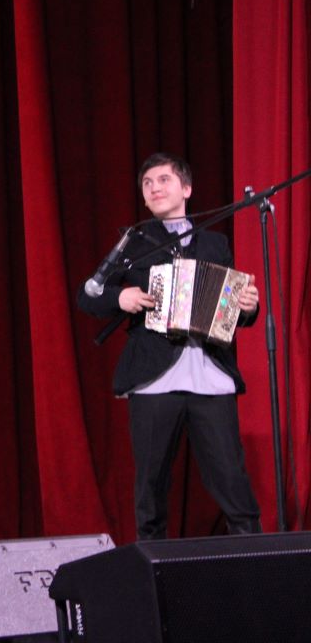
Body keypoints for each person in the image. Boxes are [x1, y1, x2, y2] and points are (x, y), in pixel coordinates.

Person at [77, 153, 261, 540]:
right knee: (151, 485)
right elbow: (88, 295)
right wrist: (121, 297)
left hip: (210, 376)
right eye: (147, 184)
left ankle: (252, 560)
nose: (154, 188)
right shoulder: (135, 241)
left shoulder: (214, 242)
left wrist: (248, 307)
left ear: (186, 189)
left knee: (232, 480)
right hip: (153, 378)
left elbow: (231, 313)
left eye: (163, 180)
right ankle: (153, 565)